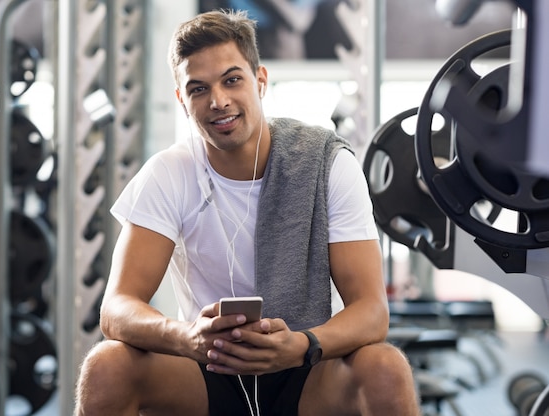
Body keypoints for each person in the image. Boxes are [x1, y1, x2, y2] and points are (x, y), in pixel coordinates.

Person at [75, 9, 420, 416]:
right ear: (182, 101)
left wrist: (302, 345)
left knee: (385, 367)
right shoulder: (169, 173)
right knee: (107, 365)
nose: (218, 101)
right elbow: (117, 308)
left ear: (260, 81)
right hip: (209, 367)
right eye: (198, 88)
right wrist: (187, 338)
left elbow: (372, 312)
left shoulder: (327, 164)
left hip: (305, 369)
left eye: (231, 80)